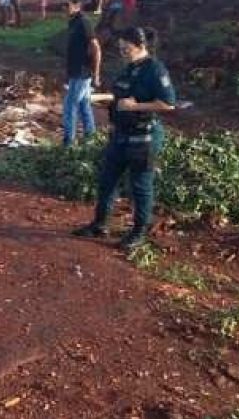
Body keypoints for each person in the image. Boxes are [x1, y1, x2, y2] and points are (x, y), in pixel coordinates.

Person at [73, 27, 177, 252]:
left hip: (143, 138)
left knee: (140, 186)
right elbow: (120, 97)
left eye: (126, 47)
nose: (123, 51)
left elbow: (168, 103)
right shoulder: (129, 69)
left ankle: (139, 232)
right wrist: (102, 100)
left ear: (140, 46)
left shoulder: (155, 70)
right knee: (107, 181)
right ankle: (100, 224)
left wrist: (135, 106)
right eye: (120, 48)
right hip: (121, 134)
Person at [62, 0, 101, 145]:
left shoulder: (84, 22)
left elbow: (96, 48)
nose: (63, 8)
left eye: (66, 5)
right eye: (62, 5)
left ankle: (68, 143)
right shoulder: (73, 21)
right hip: (75, 71)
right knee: (84, 105)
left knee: (70, 106)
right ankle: (90, 137)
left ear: (77, 5)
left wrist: (96, 74)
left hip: (82, 72)